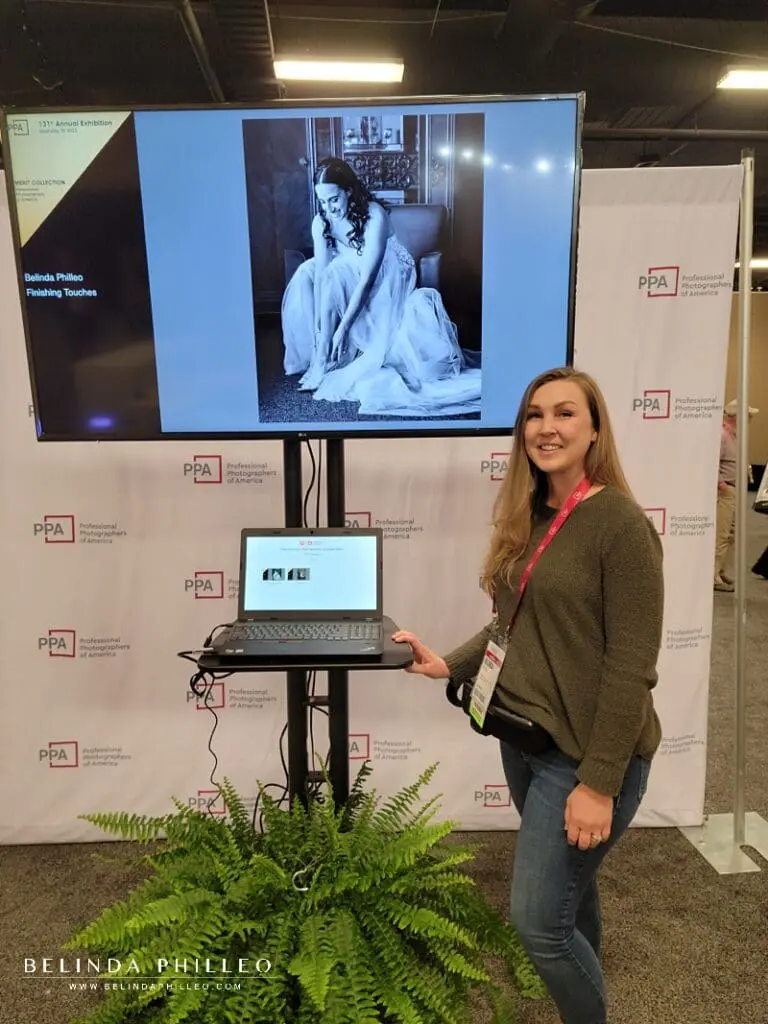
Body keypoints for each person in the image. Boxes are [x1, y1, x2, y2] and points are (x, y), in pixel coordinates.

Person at [393, 366, 664, 1024]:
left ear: (594, 428)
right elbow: (508, 624)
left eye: (565, 413)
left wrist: (597, 783)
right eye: (535, 415)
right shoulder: (533, 514)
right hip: (527, 744)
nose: (547, 427)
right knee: (570, 899)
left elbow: (632, 666)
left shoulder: (620, 527)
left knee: (538, 923)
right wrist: (446, 665)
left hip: (590, 756)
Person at [281, 157, 481, 417]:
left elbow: (367, 279)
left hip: (388, 273)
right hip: (344, 266)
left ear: (349, 191)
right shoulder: (321, 222)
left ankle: (328, 355)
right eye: (322, 201)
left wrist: (343, 329)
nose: (329, 209)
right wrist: (322, 334)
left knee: (335, 275)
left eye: (334, 199)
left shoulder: (373, 213)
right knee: (306, 274)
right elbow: (321, 275)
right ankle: (321, 355)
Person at [715, 399, 759, 592]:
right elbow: (712, 462)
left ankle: (720, 569)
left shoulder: (733, 436)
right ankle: (713, 575)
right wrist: (721, 485)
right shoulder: (723, 436)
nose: (750, 419)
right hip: (726, 491)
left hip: (734, 490)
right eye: (748, 416)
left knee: (731, 534)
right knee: (722, 534)